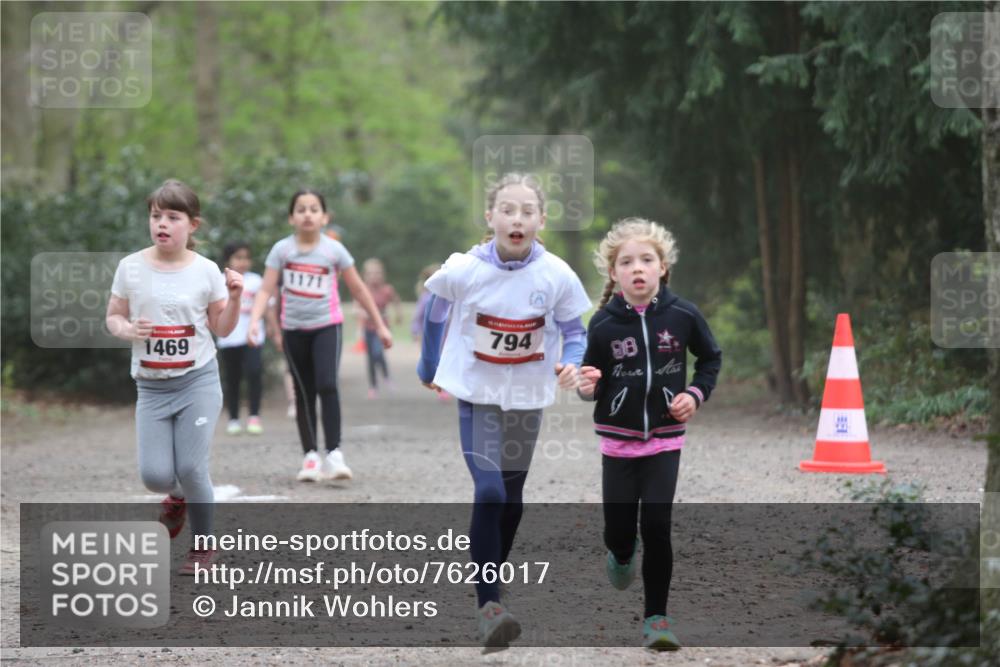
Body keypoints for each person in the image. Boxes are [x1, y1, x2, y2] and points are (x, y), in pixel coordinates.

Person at [417, 173, 591, 653]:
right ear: (490, 217)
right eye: (508, 209)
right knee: (490, 489)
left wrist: (571, 362)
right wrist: (428, 364)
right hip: (477, 392)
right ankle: (489, 606)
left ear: (541, 220)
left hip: (528, 396)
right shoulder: (464, 268)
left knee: (512, 502)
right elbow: (435, 309)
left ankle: (488, 584)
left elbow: (575, 331)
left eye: (527, 211)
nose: (517, 218)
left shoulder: (556, 274)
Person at [577, 217, 722, 650]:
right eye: (626, 261)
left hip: (665, 439)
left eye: (646, 259)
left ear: (663, 267)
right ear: (614, 273)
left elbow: (710, 359)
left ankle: (656, 618)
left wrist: (695, 394)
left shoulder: (683, 315)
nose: (637, 267)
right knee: (619, 531)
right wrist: (588, 387)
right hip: (618, 445)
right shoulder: (603, 325)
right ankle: (622, 553)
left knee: (657, 524)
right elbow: (594, 380)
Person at [106, 179, 243, 574]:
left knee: (192, 467)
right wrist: (125, 330)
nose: (161, 224)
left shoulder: (206, 271)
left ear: (192, 225)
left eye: (172, 217)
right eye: (155, 216)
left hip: (197, 381)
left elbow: (223, 329)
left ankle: (203, 547)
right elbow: (113, 315)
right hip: (150, 386)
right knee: (155, 476)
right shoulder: (130, 267)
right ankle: (177, 498)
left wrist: (235, 298)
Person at [248, 189, 392, 482]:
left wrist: (380, 324)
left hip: (327, 326)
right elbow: (266, 289)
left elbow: (359, 289)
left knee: (327, 384)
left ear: (325, 217)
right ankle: (310, 456)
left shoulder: (333, 251)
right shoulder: (282, 250)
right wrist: (254, 322)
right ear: (291, 217)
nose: (307, 214)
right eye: (301, 209)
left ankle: (335, 454)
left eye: (314, 209)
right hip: (293, 329)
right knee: (303, 392)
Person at [216, 241, 272, 435]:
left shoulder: (256, 281)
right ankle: (233, 418)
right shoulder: (219, 281)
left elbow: (268, 306)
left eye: (246, 258)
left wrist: (274, 327)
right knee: (233, 379)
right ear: (228, 260)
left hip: (253, 337)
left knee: (254, 373)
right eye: (238, 258)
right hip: (229, 338)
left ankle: (254, 415)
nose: (243, 262)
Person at [358, 257, 400, 398]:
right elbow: (355, 308)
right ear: (365, 275)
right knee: (370, 357)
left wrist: (398, 315)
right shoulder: (363, 289)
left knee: (378, 353)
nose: (374, 276)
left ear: (382, 275)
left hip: (382, 329)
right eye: (371, 273)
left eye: (377, 273)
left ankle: (387, 377)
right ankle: (373, 386)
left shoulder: (387, 290)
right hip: (368, 329)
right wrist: (362, 313)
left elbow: (396, 301)